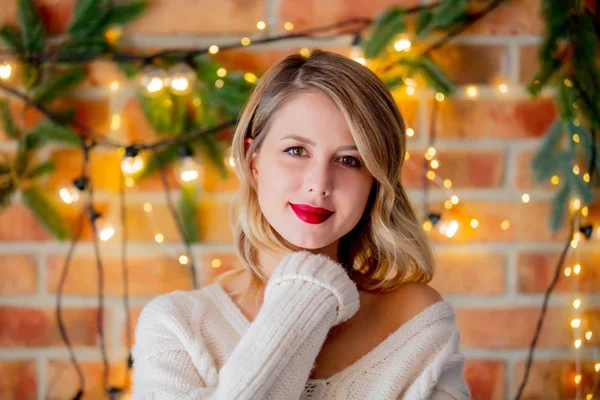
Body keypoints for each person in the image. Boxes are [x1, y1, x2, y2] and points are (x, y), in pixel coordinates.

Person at [131, 49, 471, 399]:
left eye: (349, 159)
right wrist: (306, 294)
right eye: (297, 151)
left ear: (374, 182)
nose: (319, 183)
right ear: (254, 162)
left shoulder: (414, 320)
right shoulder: (177, 327)